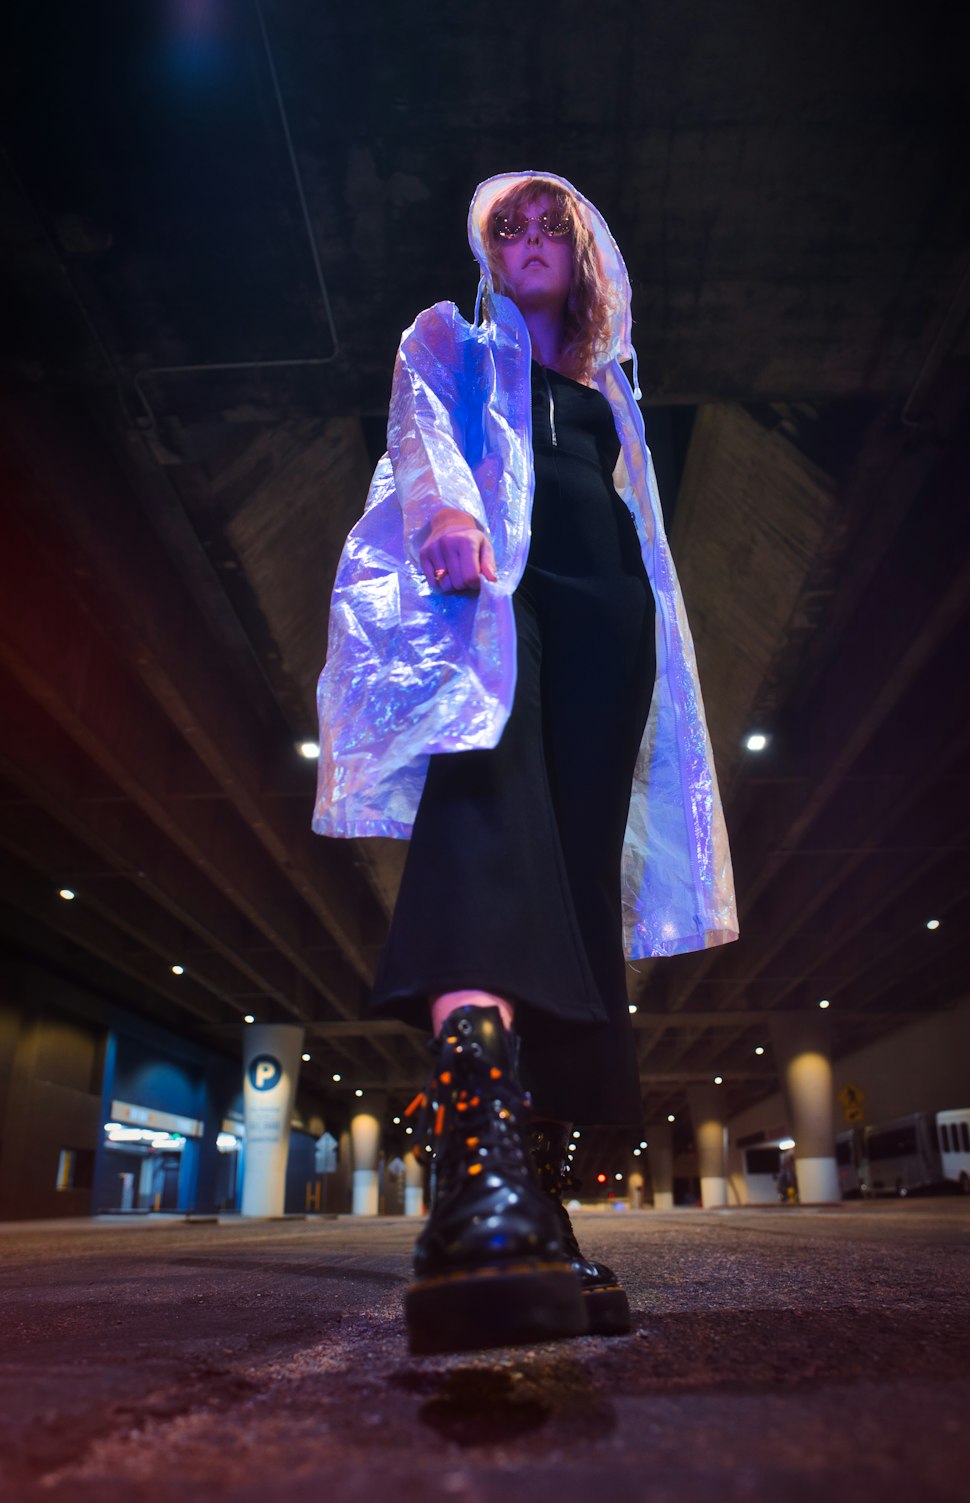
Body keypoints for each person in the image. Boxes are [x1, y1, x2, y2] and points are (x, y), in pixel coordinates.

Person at [314, 170, 738, 1356]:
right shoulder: (451, 337)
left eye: (555, 222)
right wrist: (445, 514)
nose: (534, 236)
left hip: (613, 632)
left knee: (577, 889)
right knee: (484, 808)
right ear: (488, 254)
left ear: (587, 251)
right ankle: (473, 1175)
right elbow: (417, 432)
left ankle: (537, 1202)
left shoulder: (607, 383)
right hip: (497, 598)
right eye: (512, 224)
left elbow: (630, 524)